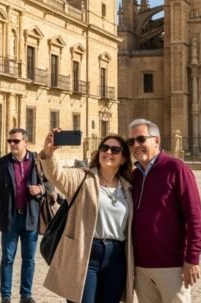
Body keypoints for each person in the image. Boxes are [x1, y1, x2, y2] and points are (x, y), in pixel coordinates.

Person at [39, 130, 135, 303]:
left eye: (115, 150)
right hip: (86, 253)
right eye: (104, 148)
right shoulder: (83, 178)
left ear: (123, 159)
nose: (108, 152)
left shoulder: (128, 188)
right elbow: (56, 175)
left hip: (116, 257)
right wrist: (49, 152)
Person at [128, 118, 201, 303]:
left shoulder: (175, 168)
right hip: (141, 268)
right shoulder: (134, 175)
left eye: (141, 139)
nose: (136, 145)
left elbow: (195, 216)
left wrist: (192, 258)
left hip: (172, 266)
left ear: (156, 140)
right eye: (131, 142)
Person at [0, 128, 52, 303]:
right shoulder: (2, 163)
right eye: (10, 141)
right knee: (7, 258)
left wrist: (41, 189)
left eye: (16, 141)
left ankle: (26, 295)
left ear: (26, 142)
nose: (12, 144)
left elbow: (51, 184)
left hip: (30, 217)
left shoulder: (37, 161)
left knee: (29, 259)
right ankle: (6, 296)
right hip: (9, 218)